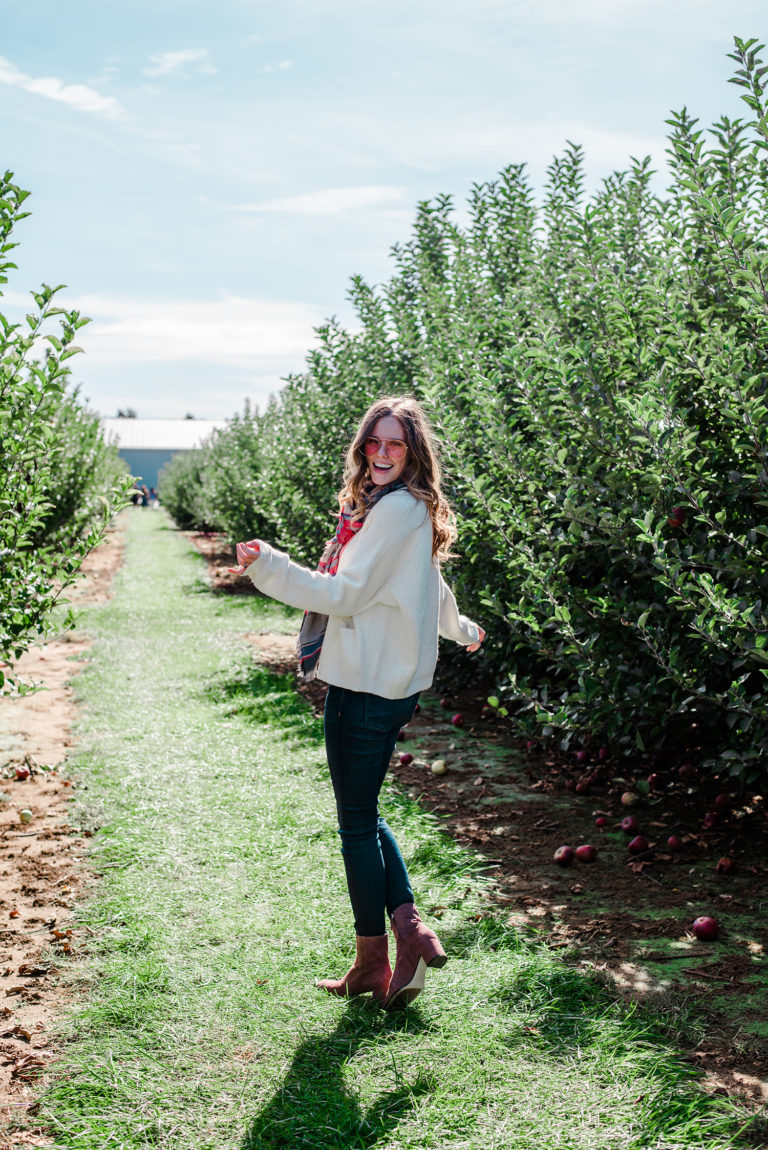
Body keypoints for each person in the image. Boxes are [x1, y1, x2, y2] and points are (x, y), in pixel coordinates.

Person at [230, 396, 485, 1009]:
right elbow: (428, 582)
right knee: (364, 813)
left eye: (395, 443)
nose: (381, 452)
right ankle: (395, 940)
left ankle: (385, 949)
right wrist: (461, 628)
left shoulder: (394, 511)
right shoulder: (406, 510)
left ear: (414, 452)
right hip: (392, 686)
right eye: (374, 441)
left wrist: (269, 566)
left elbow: (345, 593)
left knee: (354, 823)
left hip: (366, 688)